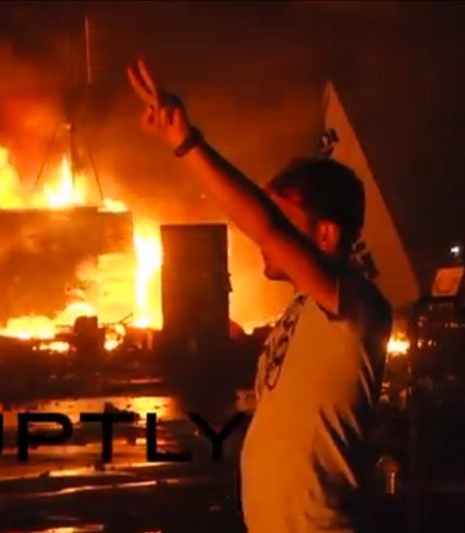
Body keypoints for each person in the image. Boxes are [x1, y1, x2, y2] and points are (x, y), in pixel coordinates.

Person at [127, 58, 392, 532]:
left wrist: (185, 144)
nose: (263, 234)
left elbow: (264, 227)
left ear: (326, 234)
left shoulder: (353, 305)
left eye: (282, 218)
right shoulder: (302, 311)